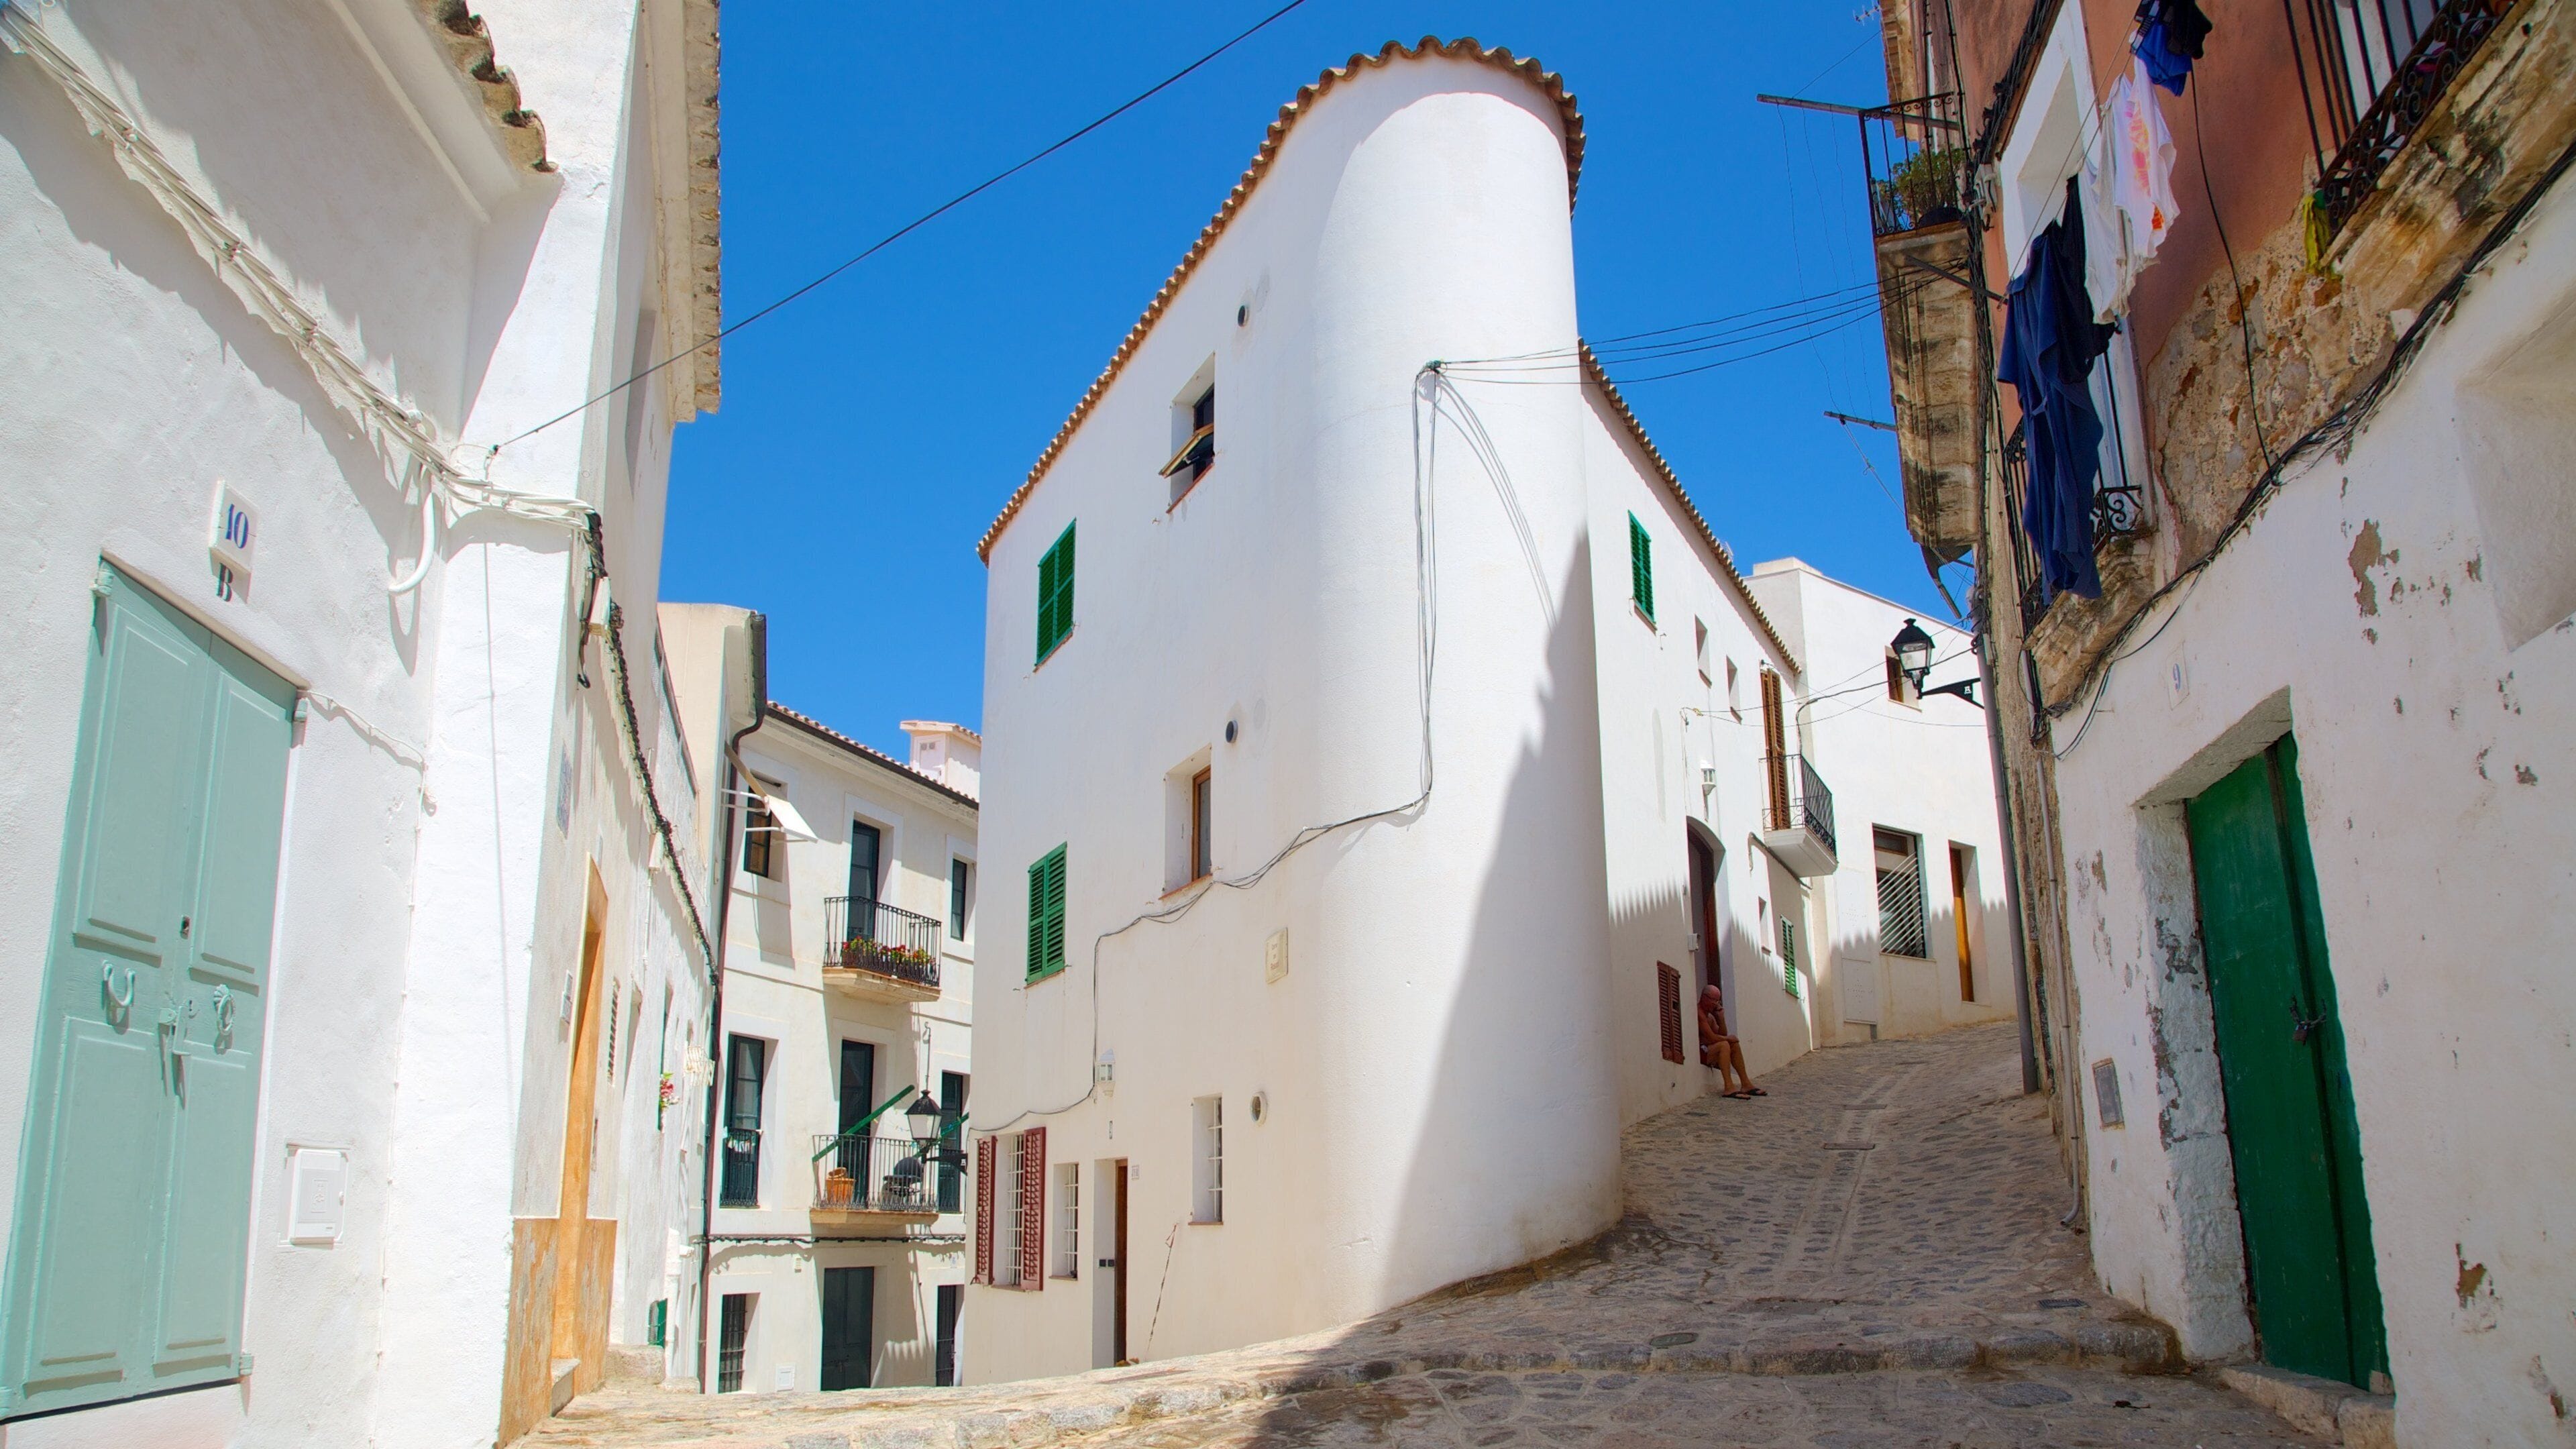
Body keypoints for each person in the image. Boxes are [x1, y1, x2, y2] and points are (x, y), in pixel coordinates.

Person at [1699, 981, 1764, 1099]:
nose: (1715, 1004)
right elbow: (1712, 1038)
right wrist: (1728, 1038)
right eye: (1713, 1000)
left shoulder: (1710, 1016)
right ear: (1704, 998)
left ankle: (1746, 1084)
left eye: (1717, 1001)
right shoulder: (1699, 1013)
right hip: (1701, 1052)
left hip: (1710, 1050)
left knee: (1733, 1044)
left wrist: (1721, 1017)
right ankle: (1729, 1087)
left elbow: (1722, 1033)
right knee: (1724, 1044)